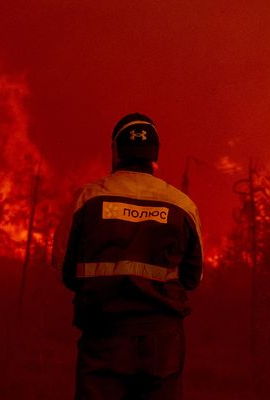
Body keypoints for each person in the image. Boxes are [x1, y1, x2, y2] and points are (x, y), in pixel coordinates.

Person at [55, 113, 203, 399]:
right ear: (154, 154)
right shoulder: (182, 206)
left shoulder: (87, 199)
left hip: (103, 340)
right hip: (163, 344)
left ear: (115, 150)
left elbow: (65, 271)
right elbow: (192, 277)